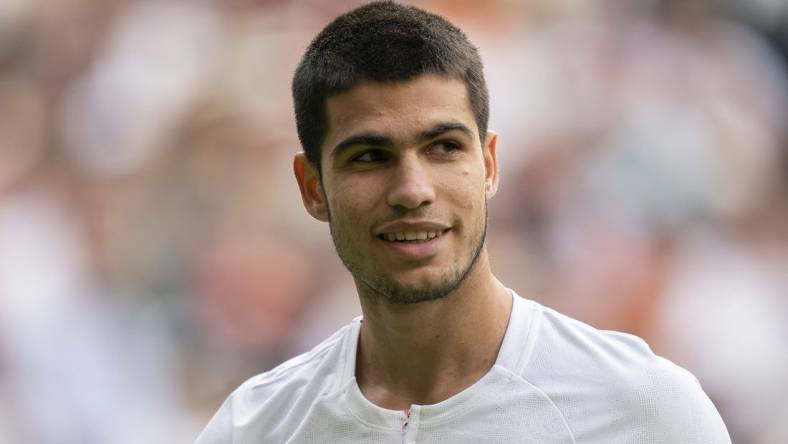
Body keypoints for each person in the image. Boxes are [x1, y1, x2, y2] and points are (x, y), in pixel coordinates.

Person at [195, 2, 731, 442]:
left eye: (443, 147)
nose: (412, 190)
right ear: (312, 187)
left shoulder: (646, 413)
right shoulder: (254, 428)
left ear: (490, 165)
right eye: (369, 156)